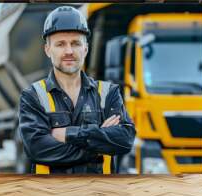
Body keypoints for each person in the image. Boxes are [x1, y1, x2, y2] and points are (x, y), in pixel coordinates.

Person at [18, 6, 136, 174]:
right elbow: (38, 150)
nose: (69, 51)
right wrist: (99, 145)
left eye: (75, 43)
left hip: (99, 195)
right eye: (60, 44)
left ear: (85, 49)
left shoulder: (108, 93)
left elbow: (125, 140)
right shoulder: (33, 96)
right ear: (47, 50)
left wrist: (67, 134)